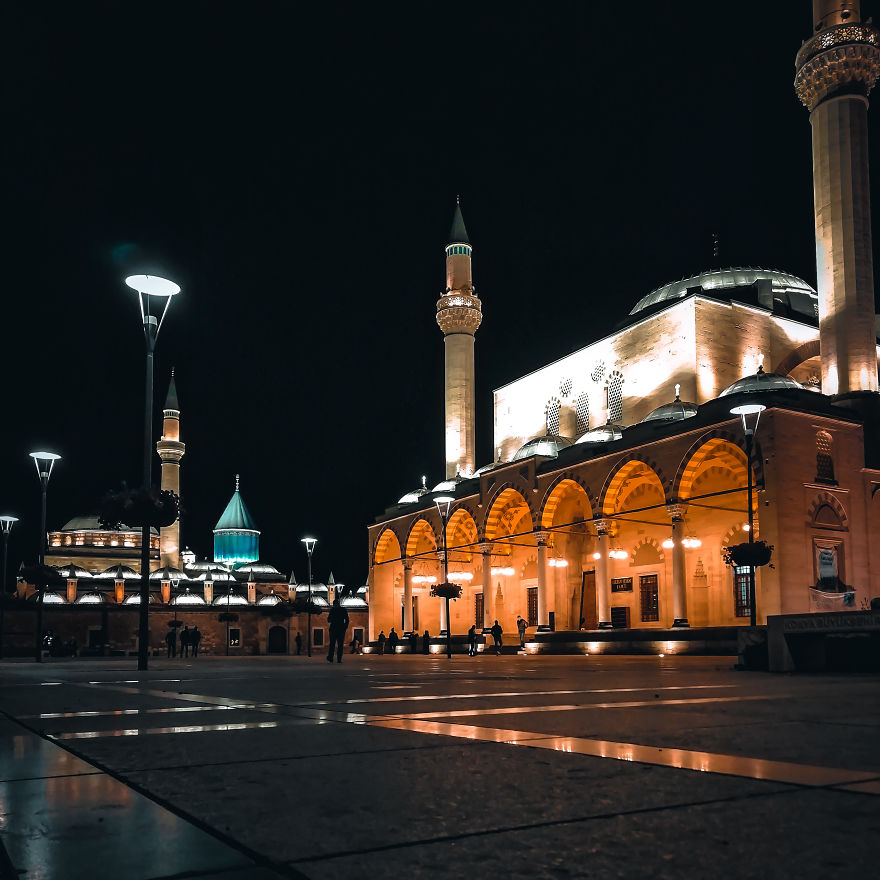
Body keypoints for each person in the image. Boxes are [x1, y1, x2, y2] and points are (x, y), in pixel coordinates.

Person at [327, 597, 350, 663]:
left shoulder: (332, 610)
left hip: (333, 629)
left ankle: (331, 657)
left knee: (332, 644)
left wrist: (333, 620)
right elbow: (347, 620)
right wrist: (345, 627)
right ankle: (339, 659)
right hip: (341, 629)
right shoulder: (343, 610)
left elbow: (328, 620)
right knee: (340, 645)